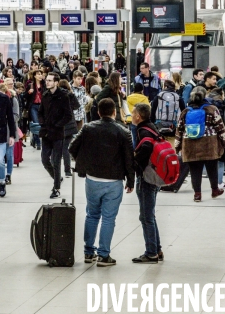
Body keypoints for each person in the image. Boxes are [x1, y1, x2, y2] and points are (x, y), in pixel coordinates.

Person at [69, 98, 134, 267]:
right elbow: (129, 159)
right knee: (108, 218)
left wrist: (84, 162)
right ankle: (104, 255)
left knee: (92, 215)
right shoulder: (123, 132)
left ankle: (88, 252)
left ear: (98, 112)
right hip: (114, 181)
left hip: (92, 179)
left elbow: (72, 147)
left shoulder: (88, 128)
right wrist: (131, 180)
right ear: (114, 112)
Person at [175, 87, 225, 202]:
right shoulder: (212, 109)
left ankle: (197, 194)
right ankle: (215, 190)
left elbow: (179, 129)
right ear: (205, 96)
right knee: (212, 168)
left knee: (195, 170)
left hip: (189, 144)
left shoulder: (186, 111)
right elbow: (220, 127)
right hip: (209, 143)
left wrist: (177, 146)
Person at [131, 103, 164, 264]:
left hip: (147, 177)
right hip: (156, 175)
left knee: (146, 216)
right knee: (149, 215)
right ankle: (157, 248)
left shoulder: (143, 131)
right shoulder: (152, 127)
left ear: (139, 116)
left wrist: (135, 164)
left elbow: (145, 148)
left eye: (133, 113)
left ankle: (151, 253)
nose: (131, 115)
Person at [38, 72, 74, 198]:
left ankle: (56, 187)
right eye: (46, 80)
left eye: (50, 80)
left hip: (58, 133)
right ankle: (57, 178)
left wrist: (58, 125)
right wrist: (42, 122)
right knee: (44, 159)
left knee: (57, 160)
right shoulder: (45, 95)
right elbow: (40, 112)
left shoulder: (63, 96)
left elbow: (68, 115)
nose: (47, 82)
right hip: (46, 132)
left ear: (56, 82)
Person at [59, 79, 80, 178]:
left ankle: (57, 169)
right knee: (66, 148)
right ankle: (67, 171)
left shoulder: (57, 96)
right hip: (70, 123)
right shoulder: (70, 95)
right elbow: (77, 106)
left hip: (60, 124)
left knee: (57, 147)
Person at [0, 82, 20, 184]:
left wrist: (7, 119)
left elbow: (16, 115)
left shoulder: (13, 100)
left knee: (9, 154)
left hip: (9, 129)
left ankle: (8, 174)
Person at [25, 69, 46, 150]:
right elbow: (25, 96)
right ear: (34, 76)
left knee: (41, 124)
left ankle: (34, 138)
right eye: (38, 74)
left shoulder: (44, 85)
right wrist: (29, 92)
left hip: (42, 106)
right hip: (33, 106)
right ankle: (38, 143)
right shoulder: (31, 85)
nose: (40, 75)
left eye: (41, 74)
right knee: (36, 123)